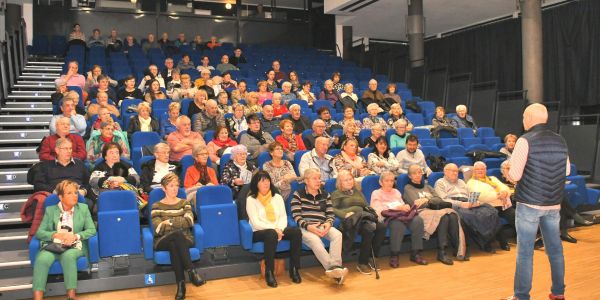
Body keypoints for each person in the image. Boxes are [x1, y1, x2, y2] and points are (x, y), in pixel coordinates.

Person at [32, 179, 96, 300]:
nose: (74, 196)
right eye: (69, 193)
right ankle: (38, 297)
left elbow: (92, 230)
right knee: (41, 259)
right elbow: (39, 232)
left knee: (68, 256)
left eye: (76, 193)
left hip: (75, 245)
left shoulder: (83, 208)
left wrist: (76, 236)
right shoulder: (51, 210)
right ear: (60, 197)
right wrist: (54, 235)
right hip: (54, 245)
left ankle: (71, 296)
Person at [151, 173, 205, 300]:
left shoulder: (185, 203)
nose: (175, 188)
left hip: (185, 239)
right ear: (164, 188)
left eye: (176, 185)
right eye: (171, 186)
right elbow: (158, 229)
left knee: (174, 243)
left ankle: (181, 286)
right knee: (176, 235)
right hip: (162, 241)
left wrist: (168, 222)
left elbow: (190, 222)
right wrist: (178, 223)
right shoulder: (156, 206)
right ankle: (191, 271)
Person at [291, 168, 348, 284]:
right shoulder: (298, 195)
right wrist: (309, 227)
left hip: (323, 225)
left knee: (337, 234)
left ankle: (335, 267)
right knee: (315, 241)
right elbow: (296, 216)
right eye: (315, 179)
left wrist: (328, 223)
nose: (318, 181)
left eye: (319, 178)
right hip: (306, 228)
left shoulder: (325, 194)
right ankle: (334, 270)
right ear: (306, 181)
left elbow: (330, 214)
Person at [246, 171, 302, 287]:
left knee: (296, 232)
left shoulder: (277, 197)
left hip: (278, 228)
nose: (266, 183)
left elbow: (283, 216)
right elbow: (256, 223)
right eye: (262, 181)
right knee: (271, 234)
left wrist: (280, 229)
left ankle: (294, 269)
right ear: (256, 184)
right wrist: (274, 229)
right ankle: (269, 272)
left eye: (267, 180)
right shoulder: (251, 199)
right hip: (259, 231)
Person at [403, 164, 465, 264]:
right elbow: (417, 204)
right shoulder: (408, 188)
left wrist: (426, 199)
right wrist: (430, 200)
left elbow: (439, 199)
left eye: (420, 172)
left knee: (452, 215)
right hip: (421, 213)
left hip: (434, 211)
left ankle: (457, 248)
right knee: (444, 217)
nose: (418, 175)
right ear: (410, 176)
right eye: (414, 173)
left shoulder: (428, 186)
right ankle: (442, 252)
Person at [435, 163, 501, 253]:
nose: (455, 173)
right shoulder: (440, 182)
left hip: (467, 201)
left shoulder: (461, 182)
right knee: (470, 215)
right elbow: (443, 200)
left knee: (491, 211)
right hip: (455, 204)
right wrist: (461, 204)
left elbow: (468, 194)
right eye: (452, 171)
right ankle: (482, 241)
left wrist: (474, 201)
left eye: (456, 171)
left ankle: (486, 239)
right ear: (445, 171)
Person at [331, 170, 386, 274]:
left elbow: (366, 205)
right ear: (340, 182)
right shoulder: (336, 194)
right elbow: (332, 209)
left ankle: (372, 257)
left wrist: (371, 212)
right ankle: (362, 263)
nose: (349, 182)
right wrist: (344, 214)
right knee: (368, 229)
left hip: (364, 217)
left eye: (350, 179)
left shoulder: (357, 192)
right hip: (352, 221)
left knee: (382, 227)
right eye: (345, 180)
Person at [370, 171, 427, 267]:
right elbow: (378, 211)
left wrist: (405, 206)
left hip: (402, 215)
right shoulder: (376, 193)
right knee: (398, 224)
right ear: (381, 182)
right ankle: (394, 255)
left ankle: (415, 253)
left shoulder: (396, 192)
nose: (389, 183)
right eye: (386, 181)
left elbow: (401, 203)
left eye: (391, 181)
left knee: (418, 220)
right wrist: (396, 208)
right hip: (389, 217)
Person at [467, 161, 515, 251]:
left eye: (482, 169)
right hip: (486, 207)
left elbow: (505, 187)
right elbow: (482, 196)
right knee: (494, 216)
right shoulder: (471, 182)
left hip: (502, 204)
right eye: (478, 169)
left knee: (514, 215)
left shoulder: (492, 178)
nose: (480, 171)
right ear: (474, 171)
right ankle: (503, 242)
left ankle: (522, 238)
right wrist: (498, 195)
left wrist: (505, 193)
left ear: (486, 170)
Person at [221, 145, 257, 215]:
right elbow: (223, 181)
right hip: (236, 192)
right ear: (234, 156)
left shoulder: (252, 166)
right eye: (239, 154)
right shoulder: (228, 166)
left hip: (252, 191)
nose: (243, 156)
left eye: (244, 154)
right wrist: (234, 181)